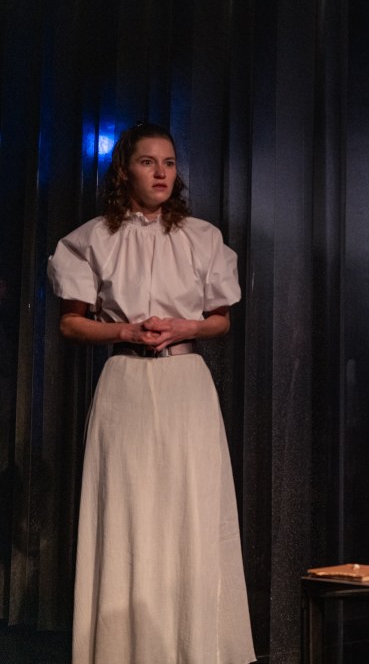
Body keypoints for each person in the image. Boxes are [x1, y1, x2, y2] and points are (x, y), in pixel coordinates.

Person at [48, 122, 255, 664]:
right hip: (126, 383)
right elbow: (71, 323)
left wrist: (186, 326)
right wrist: (126, 330)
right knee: (129, 511)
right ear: (125, 170)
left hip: (186, 384)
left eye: (169, 162)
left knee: (190, 508)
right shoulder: (92, 239)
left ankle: (193, 647)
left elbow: (220, 320)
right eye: (148, 162)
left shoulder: (202, 237)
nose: (161, 173)